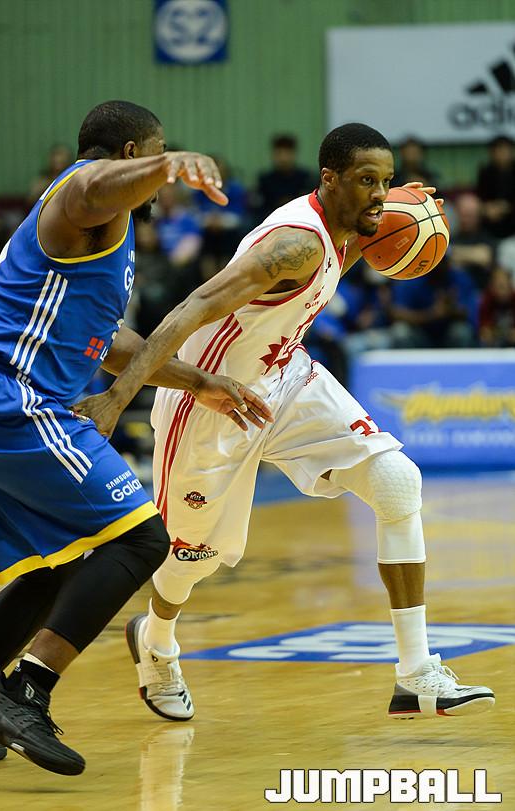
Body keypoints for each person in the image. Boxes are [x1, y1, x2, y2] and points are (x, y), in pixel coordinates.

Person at [74, 122, 495, 723]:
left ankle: (416, 673)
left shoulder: (346, 226)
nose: (381, 193)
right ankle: (157, 639)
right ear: (330, 179)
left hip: (285, 378)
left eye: (387, 181)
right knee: (193, 557)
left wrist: (408, 215)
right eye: (367, 180)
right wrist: (118, 396)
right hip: (211, 400)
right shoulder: (295, 245)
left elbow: (353, 249)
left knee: (397, 481)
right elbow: (191, 308)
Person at [0, 100, 272, 775]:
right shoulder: (83, 196)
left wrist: (199, 380)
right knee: (140, 539)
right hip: (7, 393)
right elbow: (90, 184)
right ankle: (25, 691)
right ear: (135, 153)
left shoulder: (100, 239)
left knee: (52, 569)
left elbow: (107, 343)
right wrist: (169, 164)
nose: (162, 179)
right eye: (156, 156)